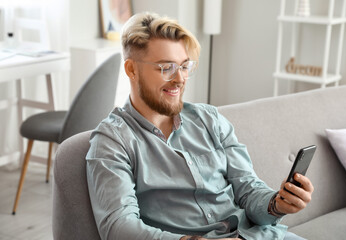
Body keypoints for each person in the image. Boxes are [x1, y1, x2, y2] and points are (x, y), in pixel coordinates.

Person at [86, 12, 314, 240]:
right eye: (166, 67)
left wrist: (277, 204)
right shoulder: (112, 141)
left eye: (184, 66)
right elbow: (119, 227)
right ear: (131, 70)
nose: (180, 79)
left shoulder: (210, 119)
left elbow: (248, 189)